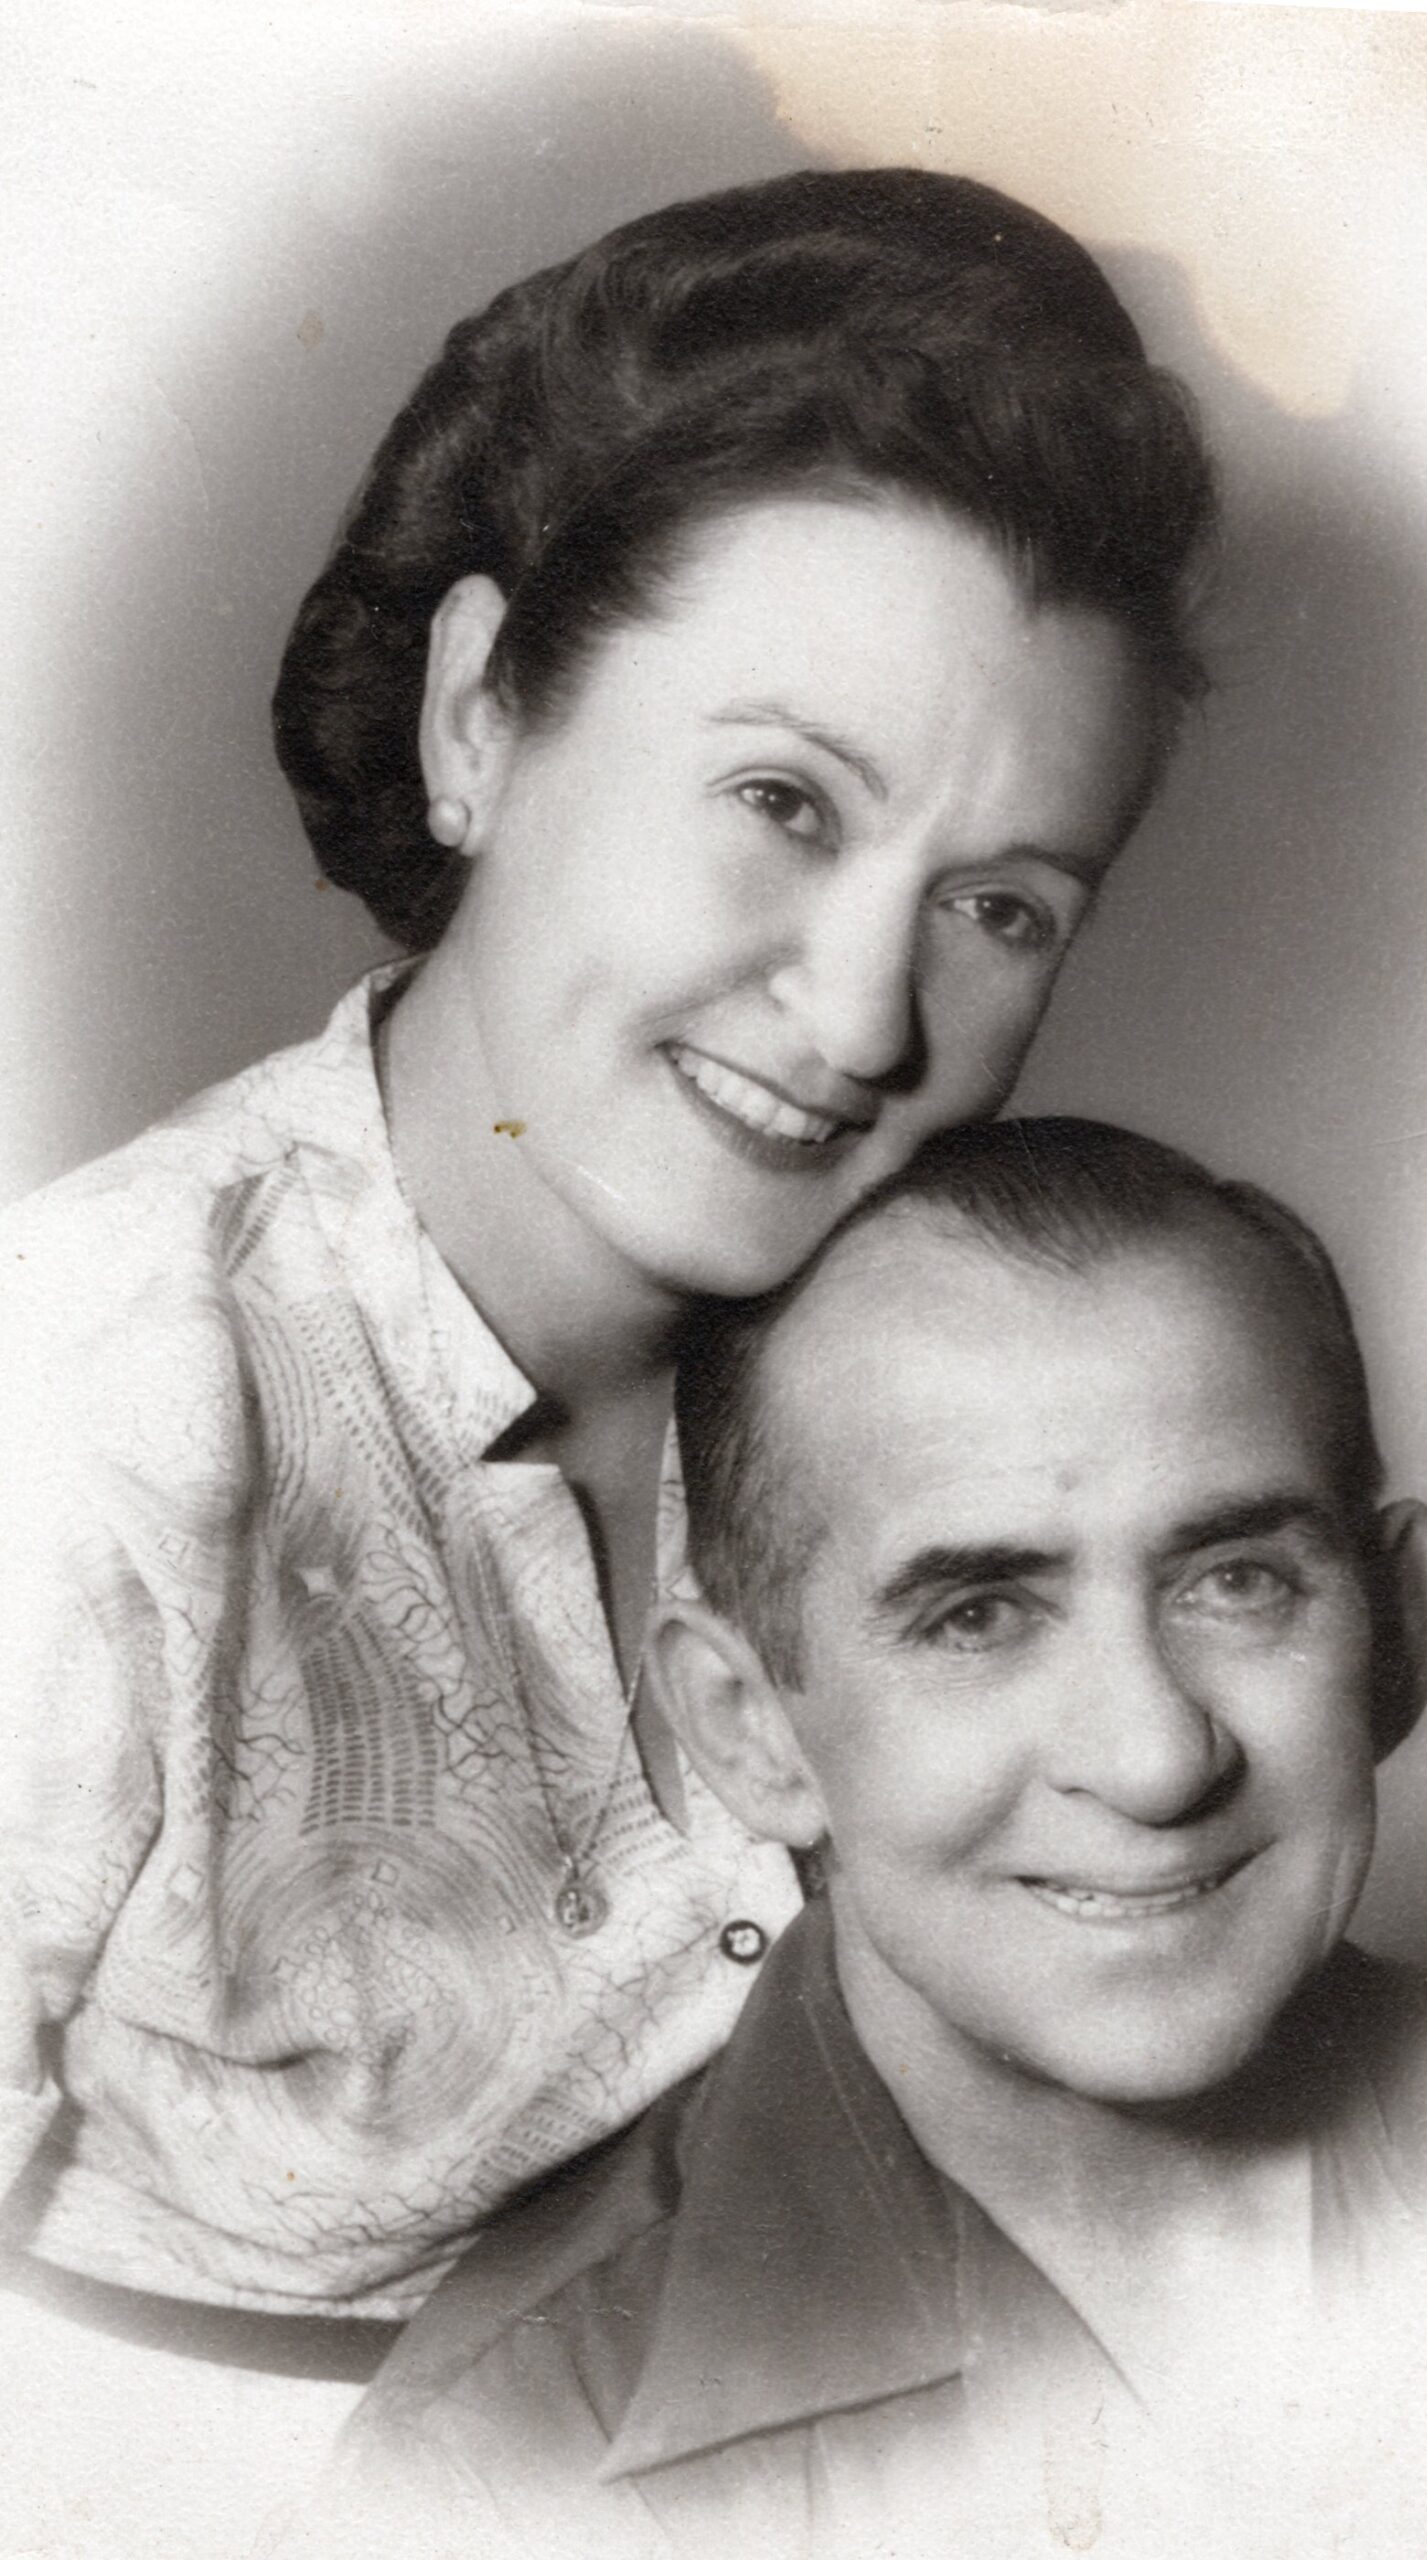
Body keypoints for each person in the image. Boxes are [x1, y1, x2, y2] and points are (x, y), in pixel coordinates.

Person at [0, 159, 1214, 2398]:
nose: (864, 1015)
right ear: (480, 713)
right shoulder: (79, 1403)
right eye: (781, 799)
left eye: (1003, 905)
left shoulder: (962, 1371)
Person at [289, 1119, 1427, 2560]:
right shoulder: (502, 2477)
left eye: (1240, 1581)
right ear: (748, 1731)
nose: (1153, 1758)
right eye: (976, 1617)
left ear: (1402, 1633)